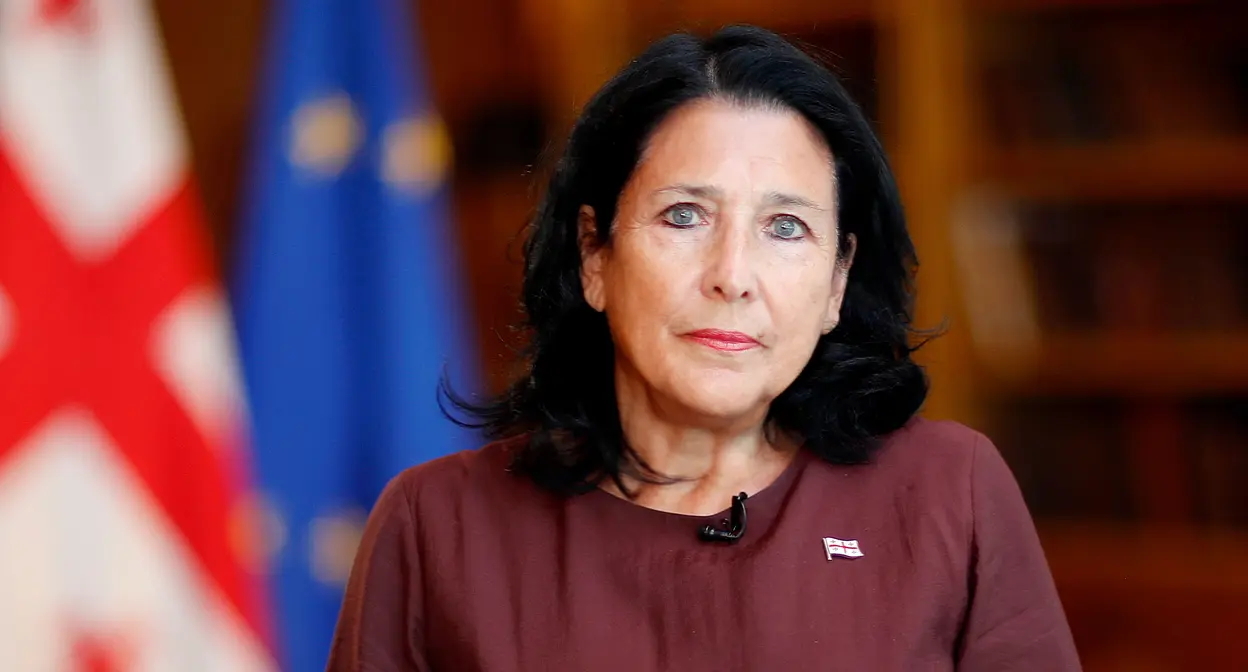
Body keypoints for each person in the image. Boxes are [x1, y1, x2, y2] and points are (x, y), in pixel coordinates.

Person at [326, 25, 1081, 671]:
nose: (733, 276)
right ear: (594, 255)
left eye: (785, 227)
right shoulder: (437, 526)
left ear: (836, 283)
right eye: (685, 215)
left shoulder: (948, 494)